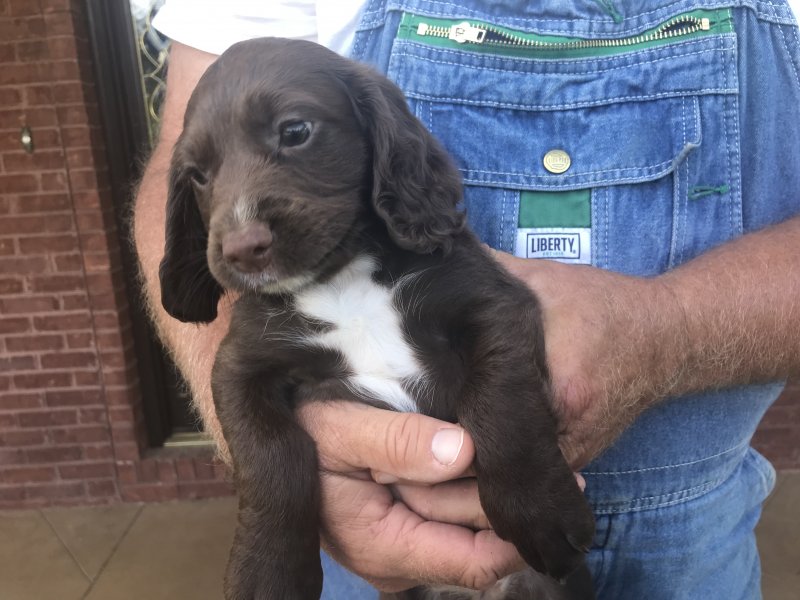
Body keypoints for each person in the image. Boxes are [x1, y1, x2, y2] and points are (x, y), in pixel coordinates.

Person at [135, 0, 800, 597]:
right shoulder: (265, 303)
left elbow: (494, 314)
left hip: (688, 551)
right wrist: (283, 511)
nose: (243, 227)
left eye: (296, 133)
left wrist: (673, 328)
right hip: (365, 558)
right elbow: (179, 155)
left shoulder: (434, 259)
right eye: (206, 177)